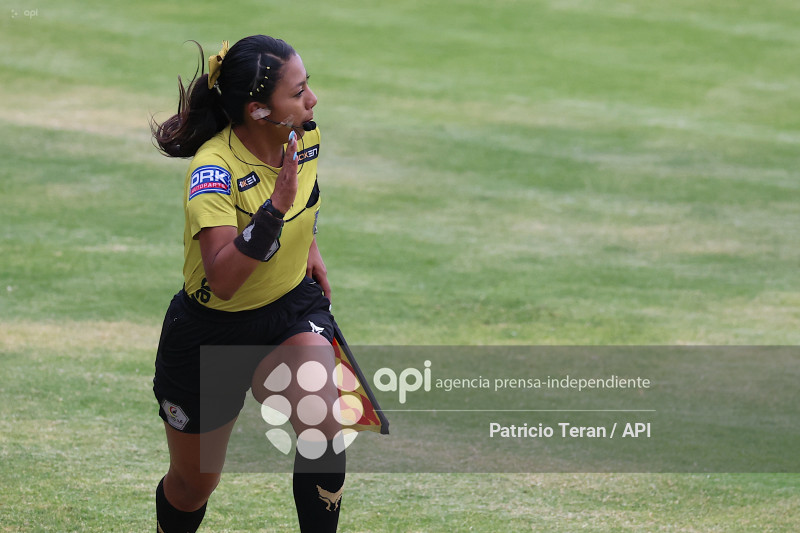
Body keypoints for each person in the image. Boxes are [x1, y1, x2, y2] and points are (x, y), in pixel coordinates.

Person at [150, 35, 346, 533]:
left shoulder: (306, 134)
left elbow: (309, 191)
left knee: (324, 422)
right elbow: (223, 279)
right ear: (259, 111)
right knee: (195, 485)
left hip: (289, 310)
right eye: (298, 91)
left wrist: (310, 247)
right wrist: (274, 213)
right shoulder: (213, 170)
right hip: (210, 331)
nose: (312, 100)